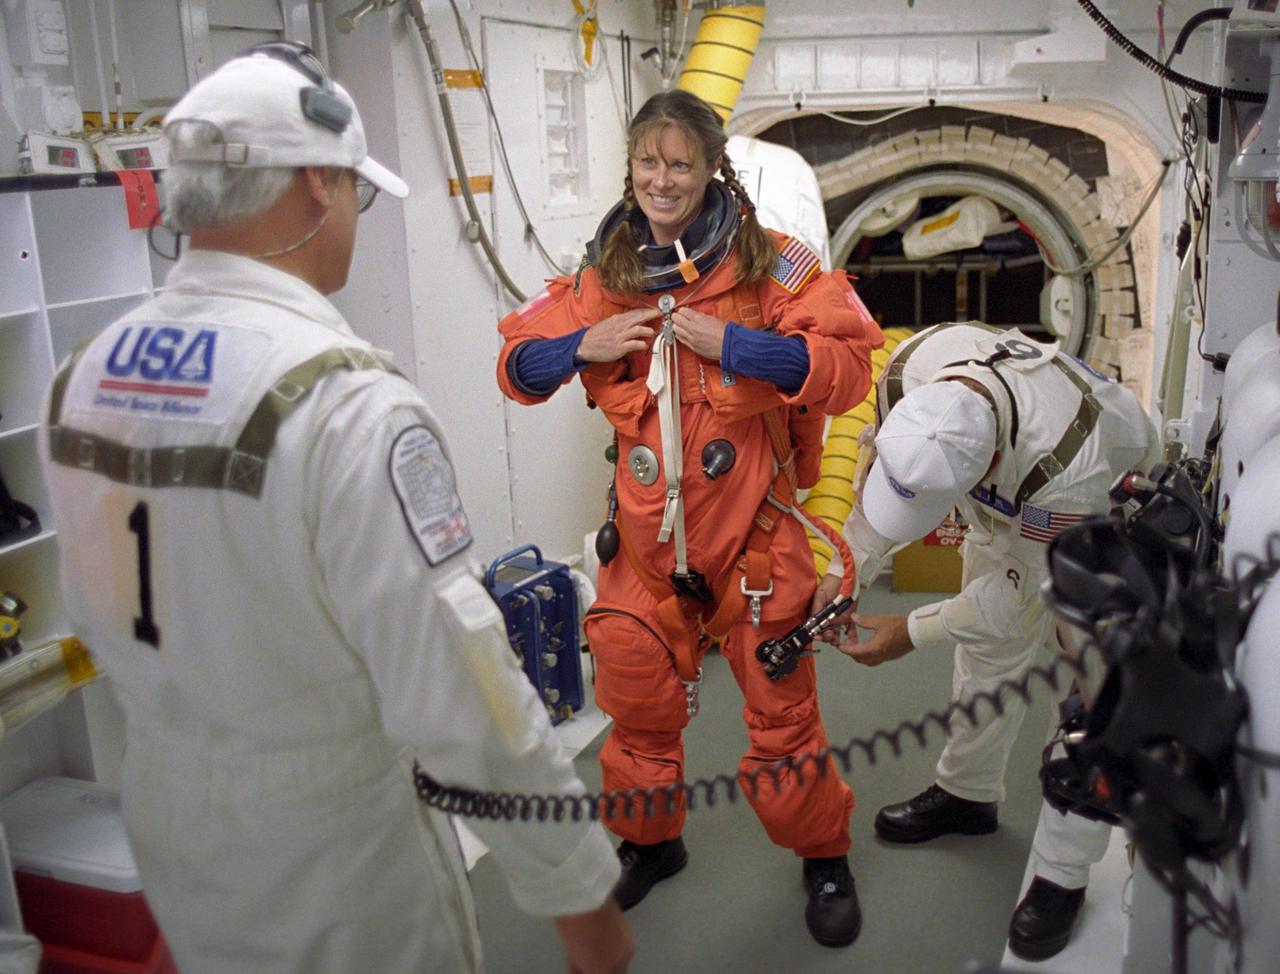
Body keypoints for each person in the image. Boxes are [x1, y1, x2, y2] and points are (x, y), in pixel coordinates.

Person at [37, 46, 631, 974]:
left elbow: (102, 607)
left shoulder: (85, 373)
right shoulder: (345, 401)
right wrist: (577, 891)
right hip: (332, 852)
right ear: (319, 184)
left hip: (170, 821)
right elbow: (462, 690)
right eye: (357, 190)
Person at [496, 89, 883, 948]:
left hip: (753, 542)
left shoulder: (771, 266)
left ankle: (823, 855)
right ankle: (651, 842)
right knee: (633, 705)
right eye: (647, 162)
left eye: (679, 163)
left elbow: (852, 365)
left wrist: (736, 346)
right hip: (644, 545)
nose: (661, 180)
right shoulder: (604, 280)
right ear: (630, 168)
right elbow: (515, 368)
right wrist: (577, 349)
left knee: (784, 727)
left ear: (712, 168)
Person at [811, 321, 1159, 961]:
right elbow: (884, 474)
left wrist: (909, 632)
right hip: (1007, 504)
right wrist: (846, 567)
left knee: (1091, 698)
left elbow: (1018, 598)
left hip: (1101, 514)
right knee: (987, 656)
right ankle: (967, 795)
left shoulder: (1066, 463)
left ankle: (1062, 874)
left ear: (987, 463)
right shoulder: (914, 373)